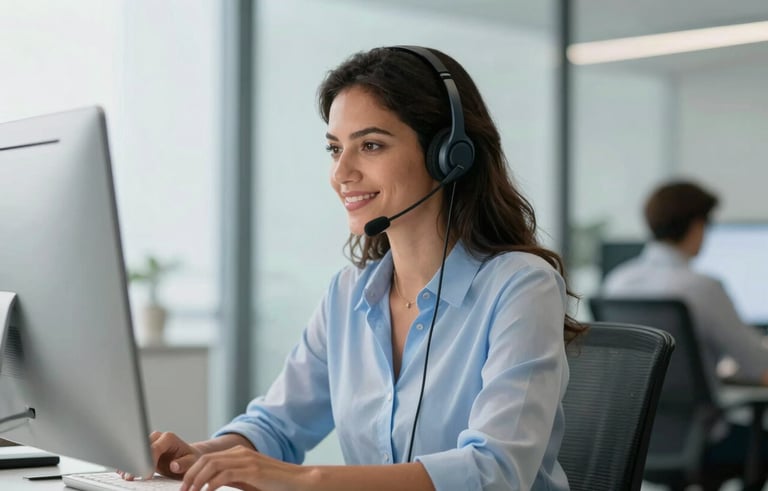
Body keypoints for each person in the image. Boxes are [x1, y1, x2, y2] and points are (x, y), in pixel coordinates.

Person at [133, 46, 584, 491]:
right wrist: (198, 458)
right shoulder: (349, 294)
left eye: (370, 145)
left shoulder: (521, 286)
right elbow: (276, 426)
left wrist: (301, 480)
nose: (341, 172)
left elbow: (495, 472)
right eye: (334, 149)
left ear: (448, 154)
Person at [603, 180, 768, 387]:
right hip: (699, 418)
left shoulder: (617, 282)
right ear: (697, 225)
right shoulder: (703, 288)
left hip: (634, 417)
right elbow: (757, 363)